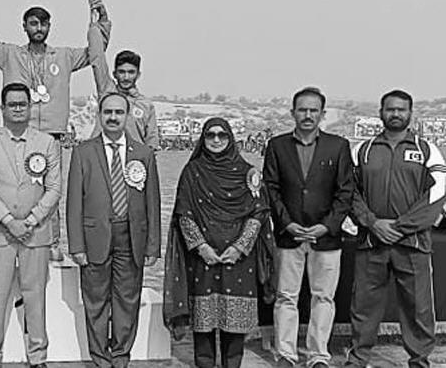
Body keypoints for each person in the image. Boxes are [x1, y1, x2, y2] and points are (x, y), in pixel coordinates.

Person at [0, 0, 111, 261]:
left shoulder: (64, 57)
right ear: (24, 26)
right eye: (34, 23)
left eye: (44, 24)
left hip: (52, 136)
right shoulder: (9, 54)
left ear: (49, 27)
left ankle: (51, 242)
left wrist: (100, 25)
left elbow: (97, 51)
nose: (39, 28)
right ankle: (11, 237)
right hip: (17, 133)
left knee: (50, 190)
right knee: (13, 188)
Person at [163, 117, 275, 368]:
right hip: (203, 259)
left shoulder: (247, 173)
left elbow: (258, 213)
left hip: (239, 261)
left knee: (234, 328)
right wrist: (202, 247)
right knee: (203, 326)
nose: (216, 140)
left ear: (230, 138)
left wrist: (239, 247)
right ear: (203, 139)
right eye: (210, 135)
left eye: (221, 135)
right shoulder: (192, 172)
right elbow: (184, 214)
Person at [346, 90, 445, 368]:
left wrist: (401, 227)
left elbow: (437, 193)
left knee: (418, 308)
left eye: (401, 109)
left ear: (410, 114)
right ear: (381, 113)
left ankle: (419, 360)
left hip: (412, 243)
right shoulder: (362, 151)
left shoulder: (427, 150)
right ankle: (358, 359)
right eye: (390, 109)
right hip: (371, 241)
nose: (396, 114)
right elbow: (349, 192)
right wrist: (372, 222)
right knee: (363, 306)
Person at [67, 92, 160, 368]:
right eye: (108, 112)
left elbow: (153, 203)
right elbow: (74, 203)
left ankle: (120, 357)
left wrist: (153, 246)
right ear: (100, 115)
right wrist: (77, 246)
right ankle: (100, 359)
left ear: (127, 116)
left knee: (127, 302)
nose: (113, 117)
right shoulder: (83, 152)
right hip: (95, 239)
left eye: (119, 112)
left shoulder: (143, 154)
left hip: (131, 239)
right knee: (95, 303)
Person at [262, 87, 354, 368]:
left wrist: (326, 226)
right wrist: (287, 223)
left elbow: (345, 192)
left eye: (314, 110)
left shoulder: (338, 146)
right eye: (302, 110)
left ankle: (318, 355)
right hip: (288, 236)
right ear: (292, 113)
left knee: (323, 298)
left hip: (326, 238)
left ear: (323, 114)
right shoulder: (277, 146)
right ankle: (286, 354)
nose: (307, 115)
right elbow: (271, 189)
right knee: (285, 297)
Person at [0, 83, 61, 368]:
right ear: (2, 108)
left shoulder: (47, 143)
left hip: (35, 232)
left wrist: (31, 220)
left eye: (22, 104)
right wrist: (9, 221)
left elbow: (54, 188)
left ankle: (38, 356)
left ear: (30, 107)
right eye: (12, 104)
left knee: (35, 297)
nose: (17, 109)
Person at [87, 9, 159, 150]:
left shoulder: (146, 105)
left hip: (134, 160)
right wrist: (97, 26)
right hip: (103, 157)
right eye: (122, 72)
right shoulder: (107, 91)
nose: (126, 77)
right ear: (115, 74)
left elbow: (152, 140)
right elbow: (97, 57)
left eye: (131, 72)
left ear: (138, 74)